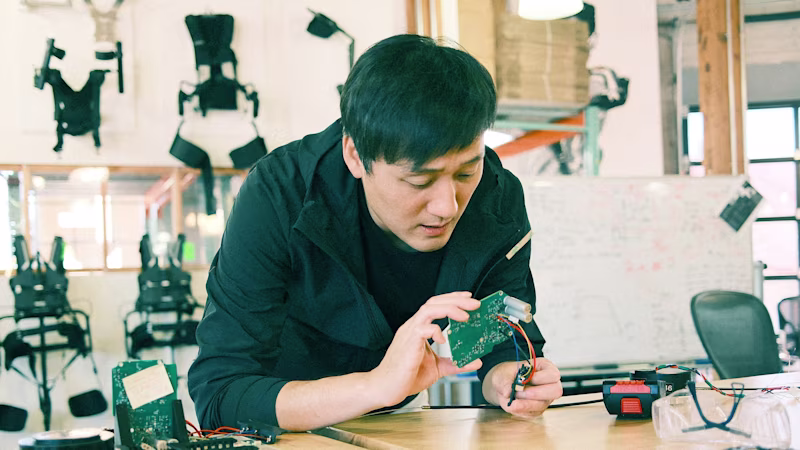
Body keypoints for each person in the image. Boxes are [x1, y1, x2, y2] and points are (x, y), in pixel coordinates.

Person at [187, 34, 562, 432]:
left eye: (466, 172)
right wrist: (376, 386)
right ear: (355, 155)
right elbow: (221, 394)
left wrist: (508, 379)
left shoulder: (496, 200)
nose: (448, 206)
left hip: (399, 425)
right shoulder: (280, 195)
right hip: (283, 425)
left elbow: (498, 335)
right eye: (419, 180)